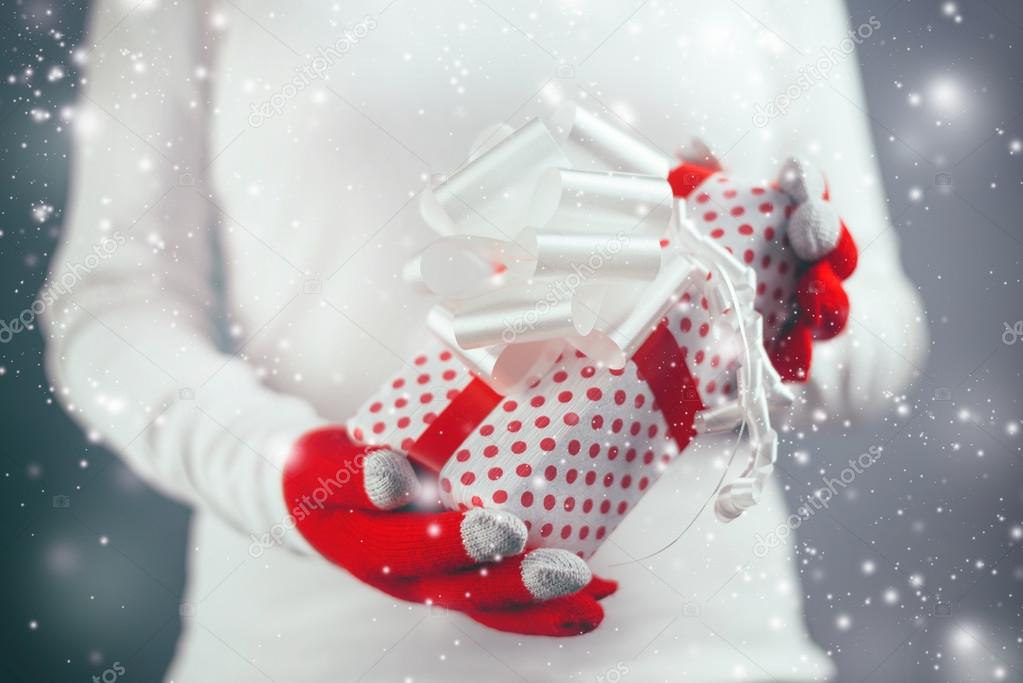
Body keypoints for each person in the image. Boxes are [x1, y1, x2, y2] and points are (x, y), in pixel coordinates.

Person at [43, 1, 926, 680]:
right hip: (306, 652)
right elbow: (110, 305)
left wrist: (763, 340)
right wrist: (283, 475)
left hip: (700, 652)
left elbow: (884, 325)